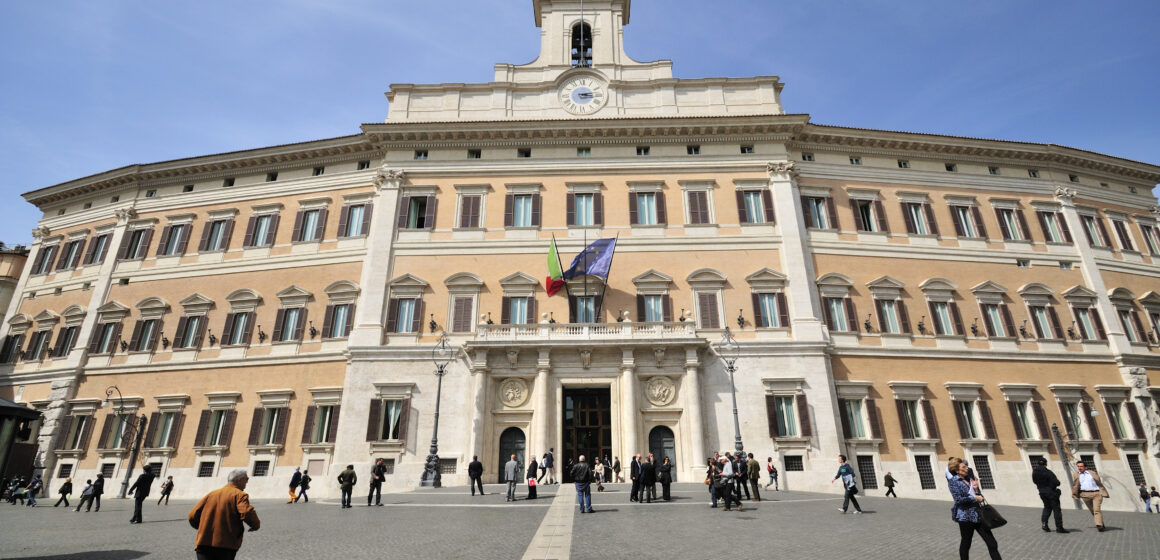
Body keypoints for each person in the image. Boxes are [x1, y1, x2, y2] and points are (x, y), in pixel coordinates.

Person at [188, 468, 260, 560]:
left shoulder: (212, 494)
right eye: (246, 479)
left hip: (203, 542)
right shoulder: (240, 495)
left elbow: (192, 515)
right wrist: (255, 525)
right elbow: (246, 512)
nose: (247, 482)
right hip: (225, 544)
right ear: (239, 480)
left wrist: (202, 528)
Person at [947, 457, 1002, 560]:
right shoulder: (953, 482)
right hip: (965, 517)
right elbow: (958, 500)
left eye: (966, 466)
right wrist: (974, 497)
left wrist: (977, 489)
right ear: (957, 470)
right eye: (964, 467)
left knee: (992, 543)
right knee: (966, 543)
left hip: (979, 515)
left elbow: (978, 495)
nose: (967, 468)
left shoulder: (969, 479)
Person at [1071, 460, 1109, 531]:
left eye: (1081, 466)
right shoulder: (1076, 475)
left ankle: (1099, 525)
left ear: (1085, 467)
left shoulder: (1092, 473)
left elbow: (1099, 482)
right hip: (1085, 494)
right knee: (1092, 511)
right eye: (1078, 466)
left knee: (1096, 510)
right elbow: (1075, 485)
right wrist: (1075, 494)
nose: (1079, 468)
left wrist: (1101, 491)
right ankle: (1100, 523)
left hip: (1096, 494)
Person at [1032, 458, 1067, 533]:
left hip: (1042, 492)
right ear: (1046, 463)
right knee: (1056, 510)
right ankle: (1059, 527)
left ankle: (1044, 524)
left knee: (1047, 508)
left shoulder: (1034, 472)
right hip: (1051, 493)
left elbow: (1034, 481)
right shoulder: (1048, 472)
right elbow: (1057, 482)